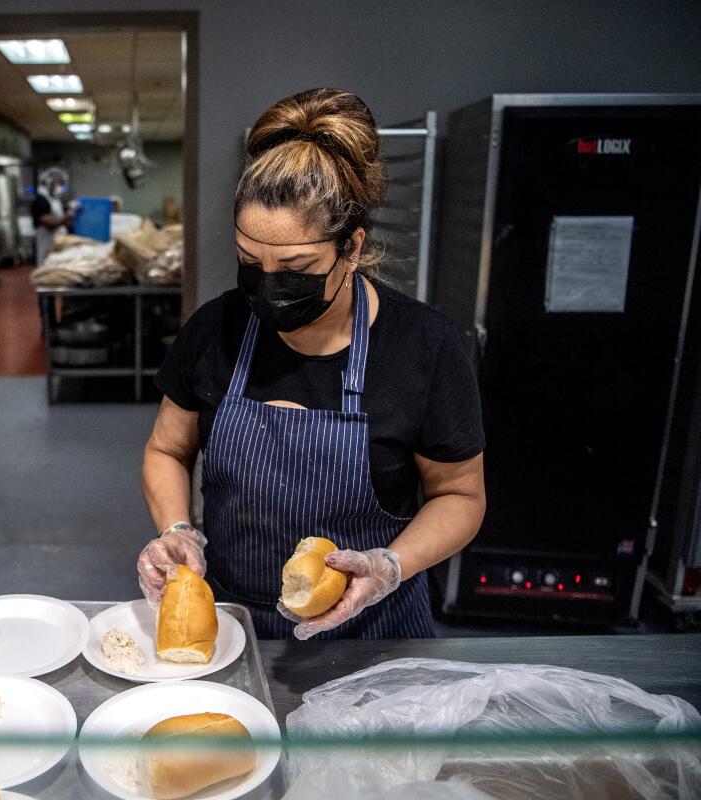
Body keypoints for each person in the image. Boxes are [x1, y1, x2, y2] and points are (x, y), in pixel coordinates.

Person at [137, 88, 487, 640]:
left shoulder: (424, 347)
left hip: (375, 630)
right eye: (250, 263)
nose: (270, 286)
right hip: (236, 624)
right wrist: (177, 528)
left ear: (352, 247)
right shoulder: (215, 330)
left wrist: (389, 567)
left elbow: (461, 496)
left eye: (296, 267)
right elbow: (166, 449)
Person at [31, 167, 74, 266]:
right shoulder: (40, 201)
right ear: (49, 182)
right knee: (46, 267)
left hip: (57, 242)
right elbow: (50, 224)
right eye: (60, 183)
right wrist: (69, 215)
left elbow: (62, 222)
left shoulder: (55, 200)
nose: (61, 187)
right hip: (46, 243)